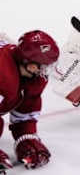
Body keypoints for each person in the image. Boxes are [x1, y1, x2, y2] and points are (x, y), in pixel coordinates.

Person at [0, 30, 59, 171]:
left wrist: (26, 137)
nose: (45, 72)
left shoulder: (30, 77)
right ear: (32, 65)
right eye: (45, 67)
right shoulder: (4, 77)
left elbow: (27, 108)